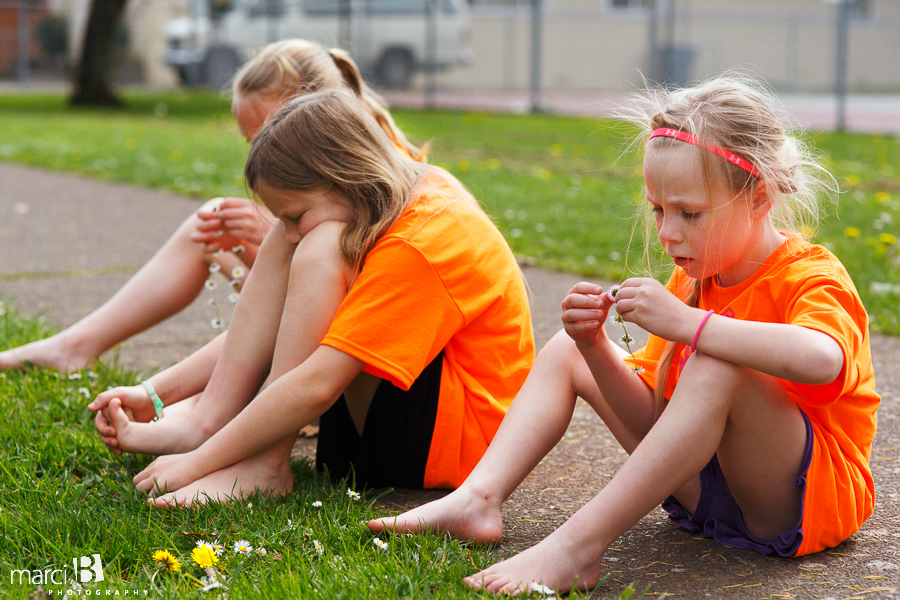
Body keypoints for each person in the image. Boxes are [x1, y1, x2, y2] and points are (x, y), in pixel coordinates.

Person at [368, 74, 880, 595]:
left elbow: (824, 359)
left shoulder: (809, 276)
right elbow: (665, 418)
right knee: (570, 348)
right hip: (704, 489)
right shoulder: (694, 280)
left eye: (690, 213)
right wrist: (593, 348)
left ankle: (579, 547)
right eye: (659, 209)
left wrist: (689, 326)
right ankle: (479, 497)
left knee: (716, 360)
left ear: (759, 198)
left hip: (795, 504)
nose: (667, 231)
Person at [90, 89, 534, 504]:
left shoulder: (418, 243)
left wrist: (196, 466)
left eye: (296, 213)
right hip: (416, 416)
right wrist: (158, 392)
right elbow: (289, 333)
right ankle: (210, 422)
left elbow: (319, 383)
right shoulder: (402, 191)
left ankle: (265, 463)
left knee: (321, 245)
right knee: (291, 243)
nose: (290, 231)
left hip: (461, 446)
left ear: (347, 177)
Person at [0, 39, 419, 376]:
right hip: (330, 318)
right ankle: (78, 345)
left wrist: (271, 231)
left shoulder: (377, 168)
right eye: (253, 142)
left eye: (270, 133)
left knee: (239, 238)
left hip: (355, 344)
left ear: (311, 111)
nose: (265, 152)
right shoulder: (343, 151)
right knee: (213, 225)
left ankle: (208, 395)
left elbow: (354, 268)